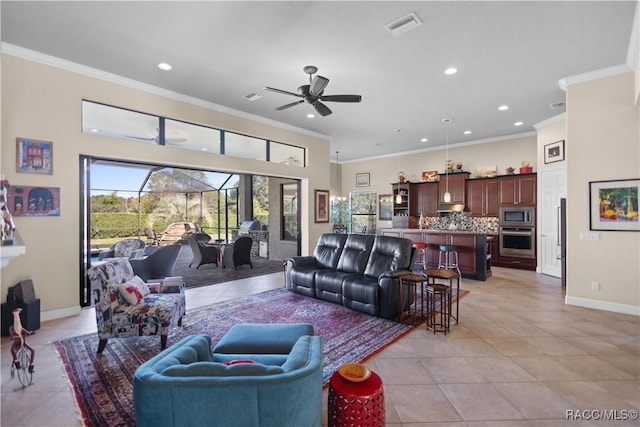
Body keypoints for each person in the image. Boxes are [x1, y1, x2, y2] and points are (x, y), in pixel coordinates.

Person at [10, 308, 35, 373]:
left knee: (32, 351)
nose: (18, 323)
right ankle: (17, 363)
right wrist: (15, 337)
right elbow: (12, 337)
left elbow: (27, 333)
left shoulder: (21, 329)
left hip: (23, 342)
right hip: (17, 343)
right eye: (16, 322)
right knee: (12, 350)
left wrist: (31, 333)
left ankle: (31, 366)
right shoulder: (14, 330)